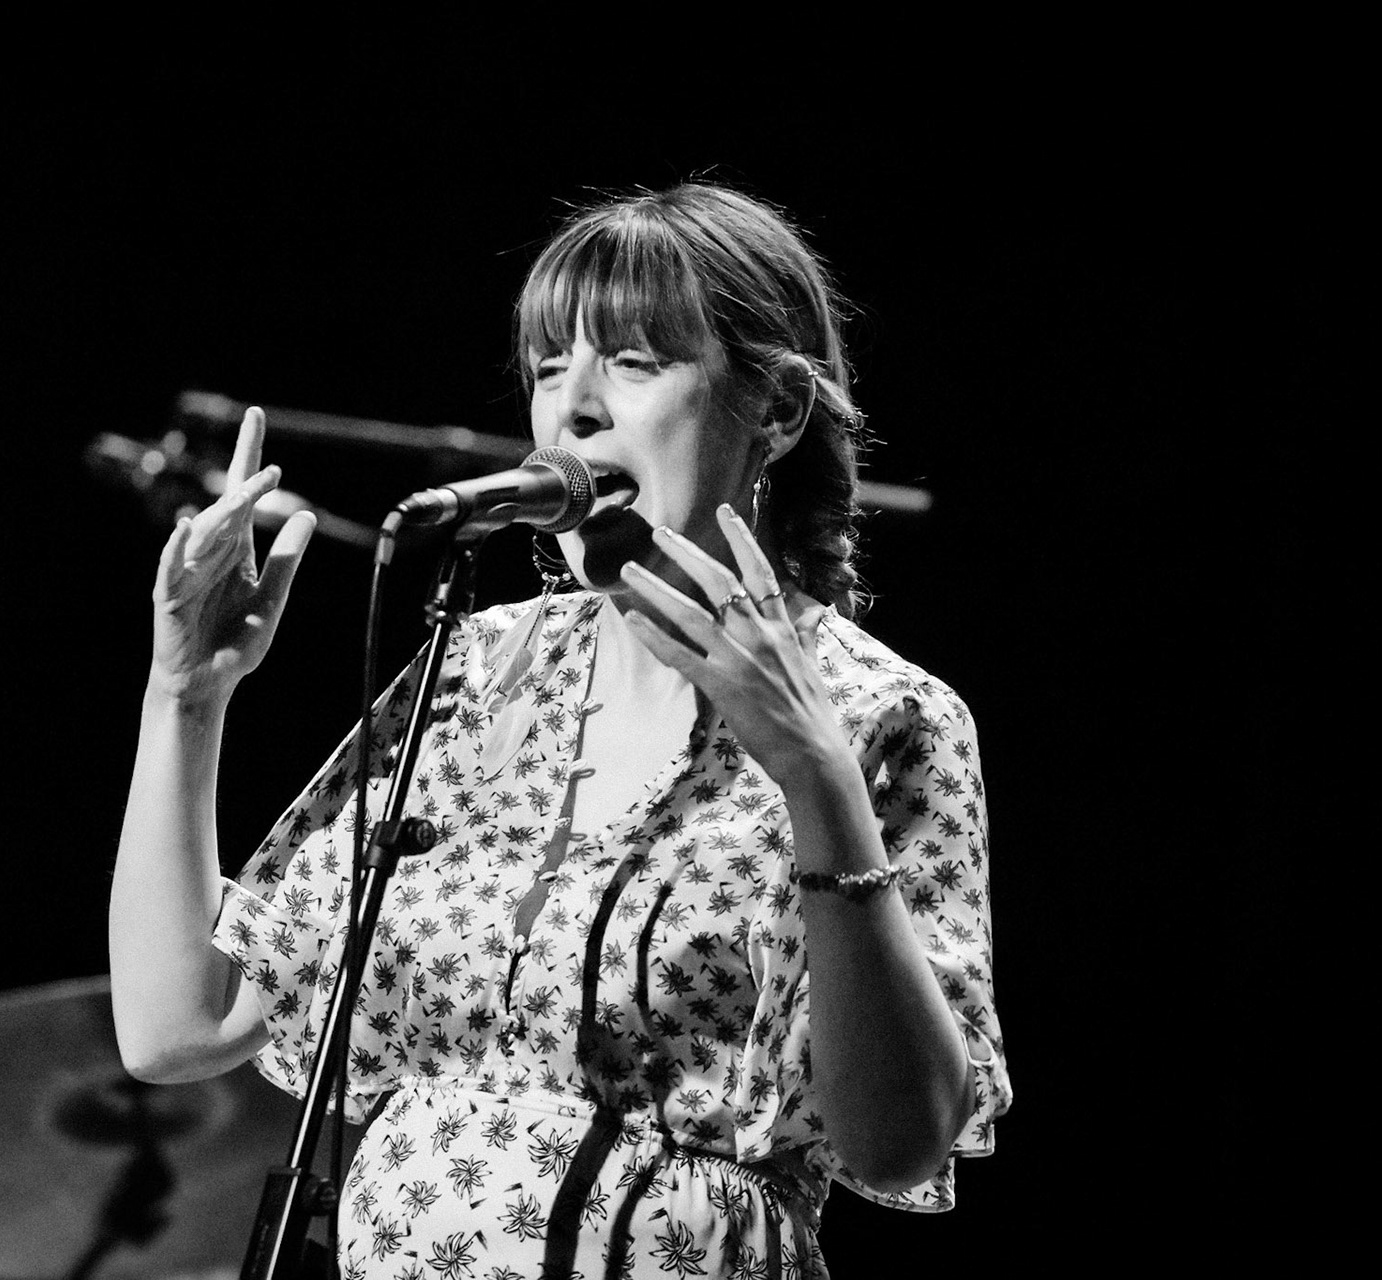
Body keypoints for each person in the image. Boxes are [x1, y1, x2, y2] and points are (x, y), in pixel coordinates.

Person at [108, 182, 1012, 1278]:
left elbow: (900, 1140)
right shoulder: (480, 672)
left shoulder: (880, 718)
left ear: (774, 410)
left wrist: (818, 778)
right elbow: (177, 1024)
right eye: (547, 368)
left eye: (632, 361)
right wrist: (184, 696)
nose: (571, 409)